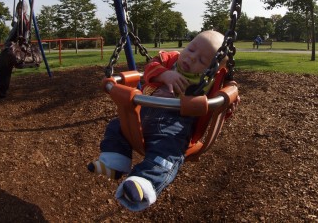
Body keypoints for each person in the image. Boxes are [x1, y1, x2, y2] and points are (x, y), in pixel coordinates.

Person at [87, 30, 238, 211]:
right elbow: (152, 66)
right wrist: (164, 75)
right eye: (191, 50)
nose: (191, 58)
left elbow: (217, 109)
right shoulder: (171, 61)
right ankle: (115, 161)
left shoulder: (212, 81)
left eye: (202, 60)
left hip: (176, 125)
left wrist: (228, 105)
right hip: (146, 112)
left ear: (213, 66)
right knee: (117, 125)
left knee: (168, 152)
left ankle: (144, 182)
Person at [0, 1, 30, 100]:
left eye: (21, 8)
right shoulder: (19, 22)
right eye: (18, 8)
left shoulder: (24, 21)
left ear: (25, 10)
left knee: (4, 67)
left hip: (15, 49)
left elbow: (26, 34)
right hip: (10, 47)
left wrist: (22, 39)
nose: (19, 10)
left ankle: (2, 92)